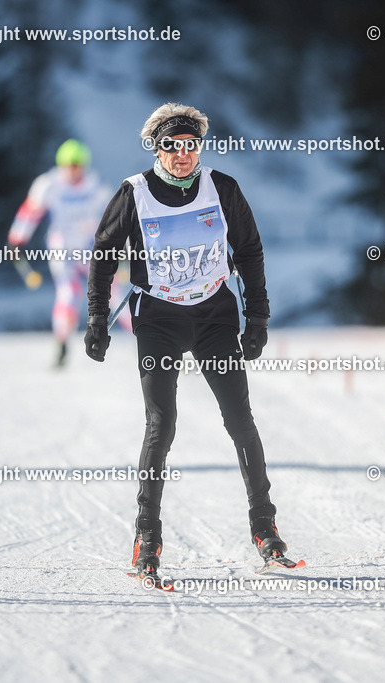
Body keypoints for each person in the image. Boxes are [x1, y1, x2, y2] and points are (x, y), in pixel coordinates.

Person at [84, 102, 292, 579]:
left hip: (214, 316)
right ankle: (147, 537)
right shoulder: (134, 193)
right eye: (173, 146)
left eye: (191, 145)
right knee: (163, 424)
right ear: (157, 148)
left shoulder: (223, 189)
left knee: (240, 419)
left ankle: (265, 527)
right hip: (158, 319)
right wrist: (98, 317)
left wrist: (257, 317)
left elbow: (251, 251)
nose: (183, 155)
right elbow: (103, 254)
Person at [7, 139, 114, 366]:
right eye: (69, 165)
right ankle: (62, 344)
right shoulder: (48, 184)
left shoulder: (95, 184)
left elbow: (113, 217)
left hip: (88, 248)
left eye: (78, 165)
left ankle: (144, 337)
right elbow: (29, 212)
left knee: (113, 289)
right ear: (61, 164)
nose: (74, 170)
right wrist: (17, 240)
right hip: (62, 249)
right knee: (68, 293)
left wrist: (121, 246)